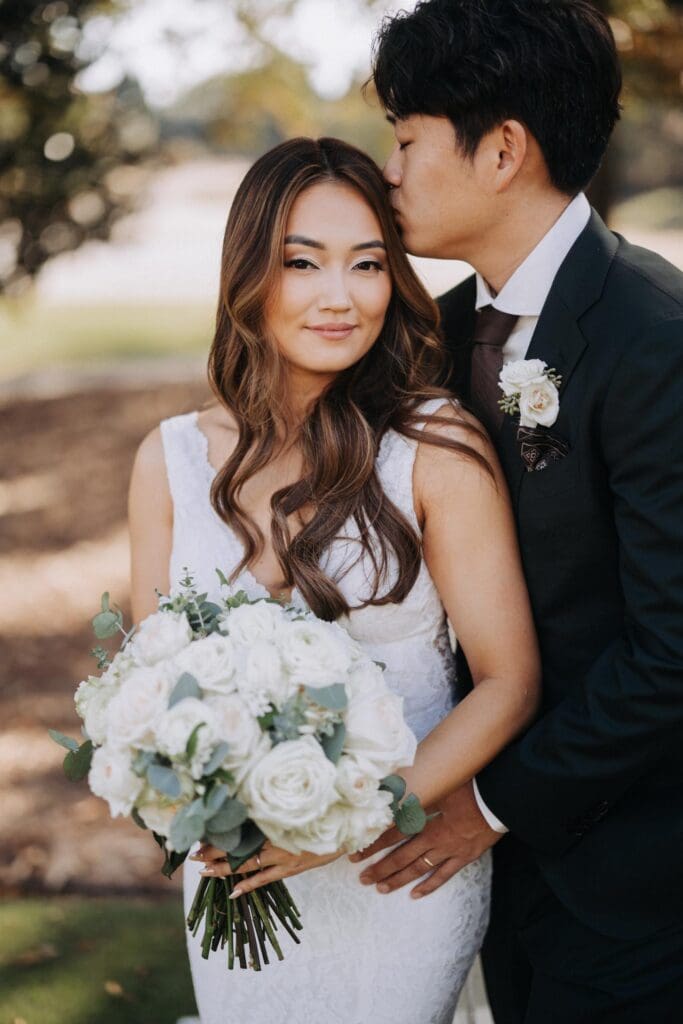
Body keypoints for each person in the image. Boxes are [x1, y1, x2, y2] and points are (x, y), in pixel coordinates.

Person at [128, 136, 540, 1024]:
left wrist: (350, 822)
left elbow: (508, 682)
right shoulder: (165, 461)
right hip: (239, 878)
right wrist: (194, 800)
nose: (338, 296)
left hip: (401, 864)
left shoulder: (434, 446)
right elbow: (150, 684)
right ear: (248, 271)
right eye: (301, 262)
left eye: (367, 264)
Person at [353, 2, 683, 1022]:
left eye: (405, 140)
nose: (389, 171)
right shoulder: (435, 335)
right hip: (491, 885)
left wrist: (489, 805)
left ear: (501, 150)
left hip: (635, 885)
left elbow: (671, 645)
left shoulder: (648, 337)